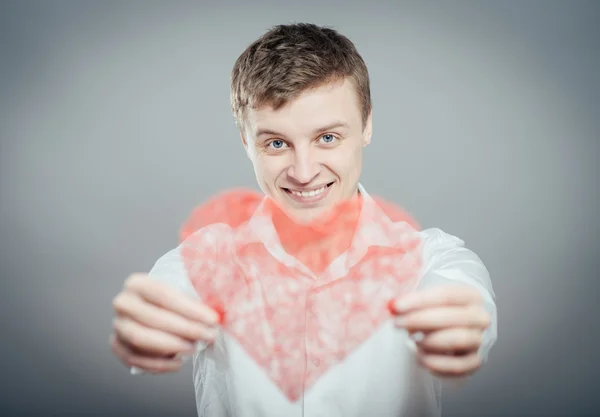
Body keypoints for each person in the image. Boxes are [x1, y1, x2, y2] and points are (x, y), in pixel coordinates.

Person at [110, 23, 497, 417]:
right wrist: (150, 330)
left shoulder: (433, 259)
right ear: (247, 141)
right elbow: (156, 322)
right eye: (276, 143)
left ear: (366, 125)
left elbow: (466, 306)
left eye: (327, 138)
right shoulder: (206, 261)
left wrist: (458, 329)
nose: (304, 171)